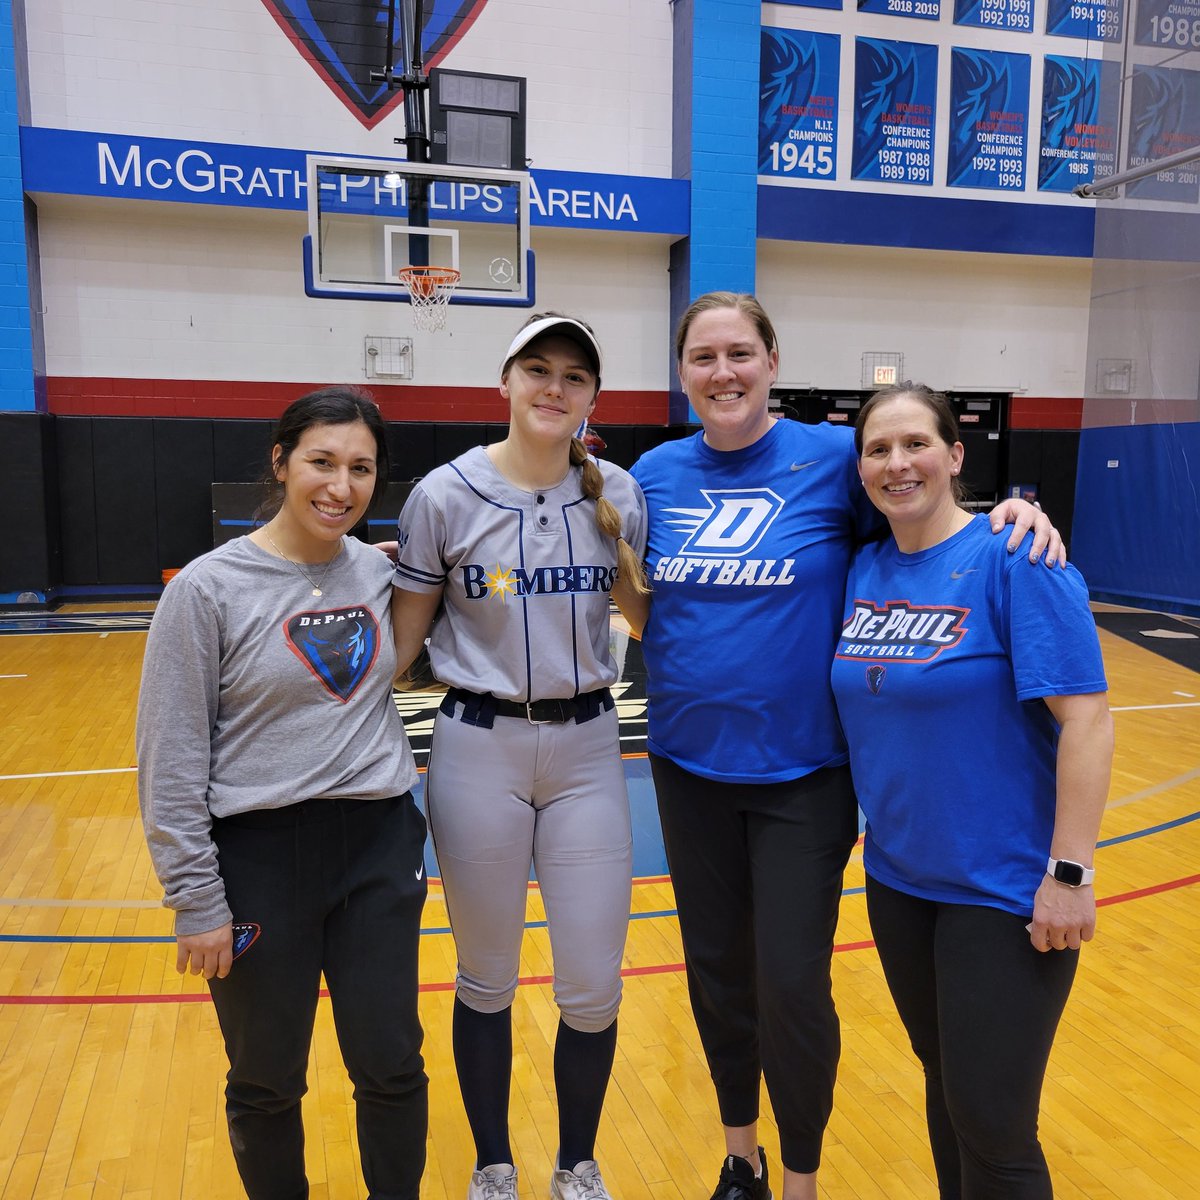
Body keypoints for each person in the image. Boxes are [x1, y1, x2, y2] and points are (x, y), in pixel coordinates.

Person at [625, 293, 1064, 1200]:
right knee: (716, 977)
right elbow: (642, 604)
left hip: (804, 776)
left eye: (740, 352)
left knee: (791, 984)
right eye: (702, 357)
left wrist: (1013, 517)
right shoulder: (655, 474)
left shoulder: (832, 460)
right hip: (684, 764)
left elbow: (920, 524)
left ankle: (801, 1176)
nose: (723, 373)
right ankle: (739, 1156)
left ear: (772, 361)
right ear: (681, 373)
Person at [137, 387, 428, 1200]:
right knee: (266, 1080)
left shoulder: (381, 573)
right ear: (281, 463)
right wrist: (194, 897)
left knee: (392, 1065)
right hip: (259, 859)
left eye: (362, 468)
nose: (341, 486)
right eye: (322, 463)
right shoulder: (206, 590)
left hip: (377, 843)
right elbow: (169, 755)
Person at [390, 314, 649, 1200]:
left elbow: (650, 618)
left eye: (575, 376)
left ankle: (578, 1164)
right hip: (476, 748)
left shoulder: (617, 490)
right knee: (487, 976)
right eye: (537, 369)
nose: (554, 387)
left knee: (591, 979)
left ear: (592, 398)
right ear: (504, 381)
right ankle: (493, 1164)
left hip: (585, 748)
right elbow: (396, 650)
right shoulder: (442, 495)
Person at [832, 383, 1112, 1198]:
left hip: (1003, 892)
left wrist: (1069, 875)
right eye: (878, 450)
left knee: (993, 1122)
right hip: (900, 883)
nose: (897, 462)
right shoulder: (863, 568)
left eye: (916, 443)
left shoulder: (1016, 559)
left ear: (956, 456)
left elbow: (1088, 720)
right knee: (947, 1087)